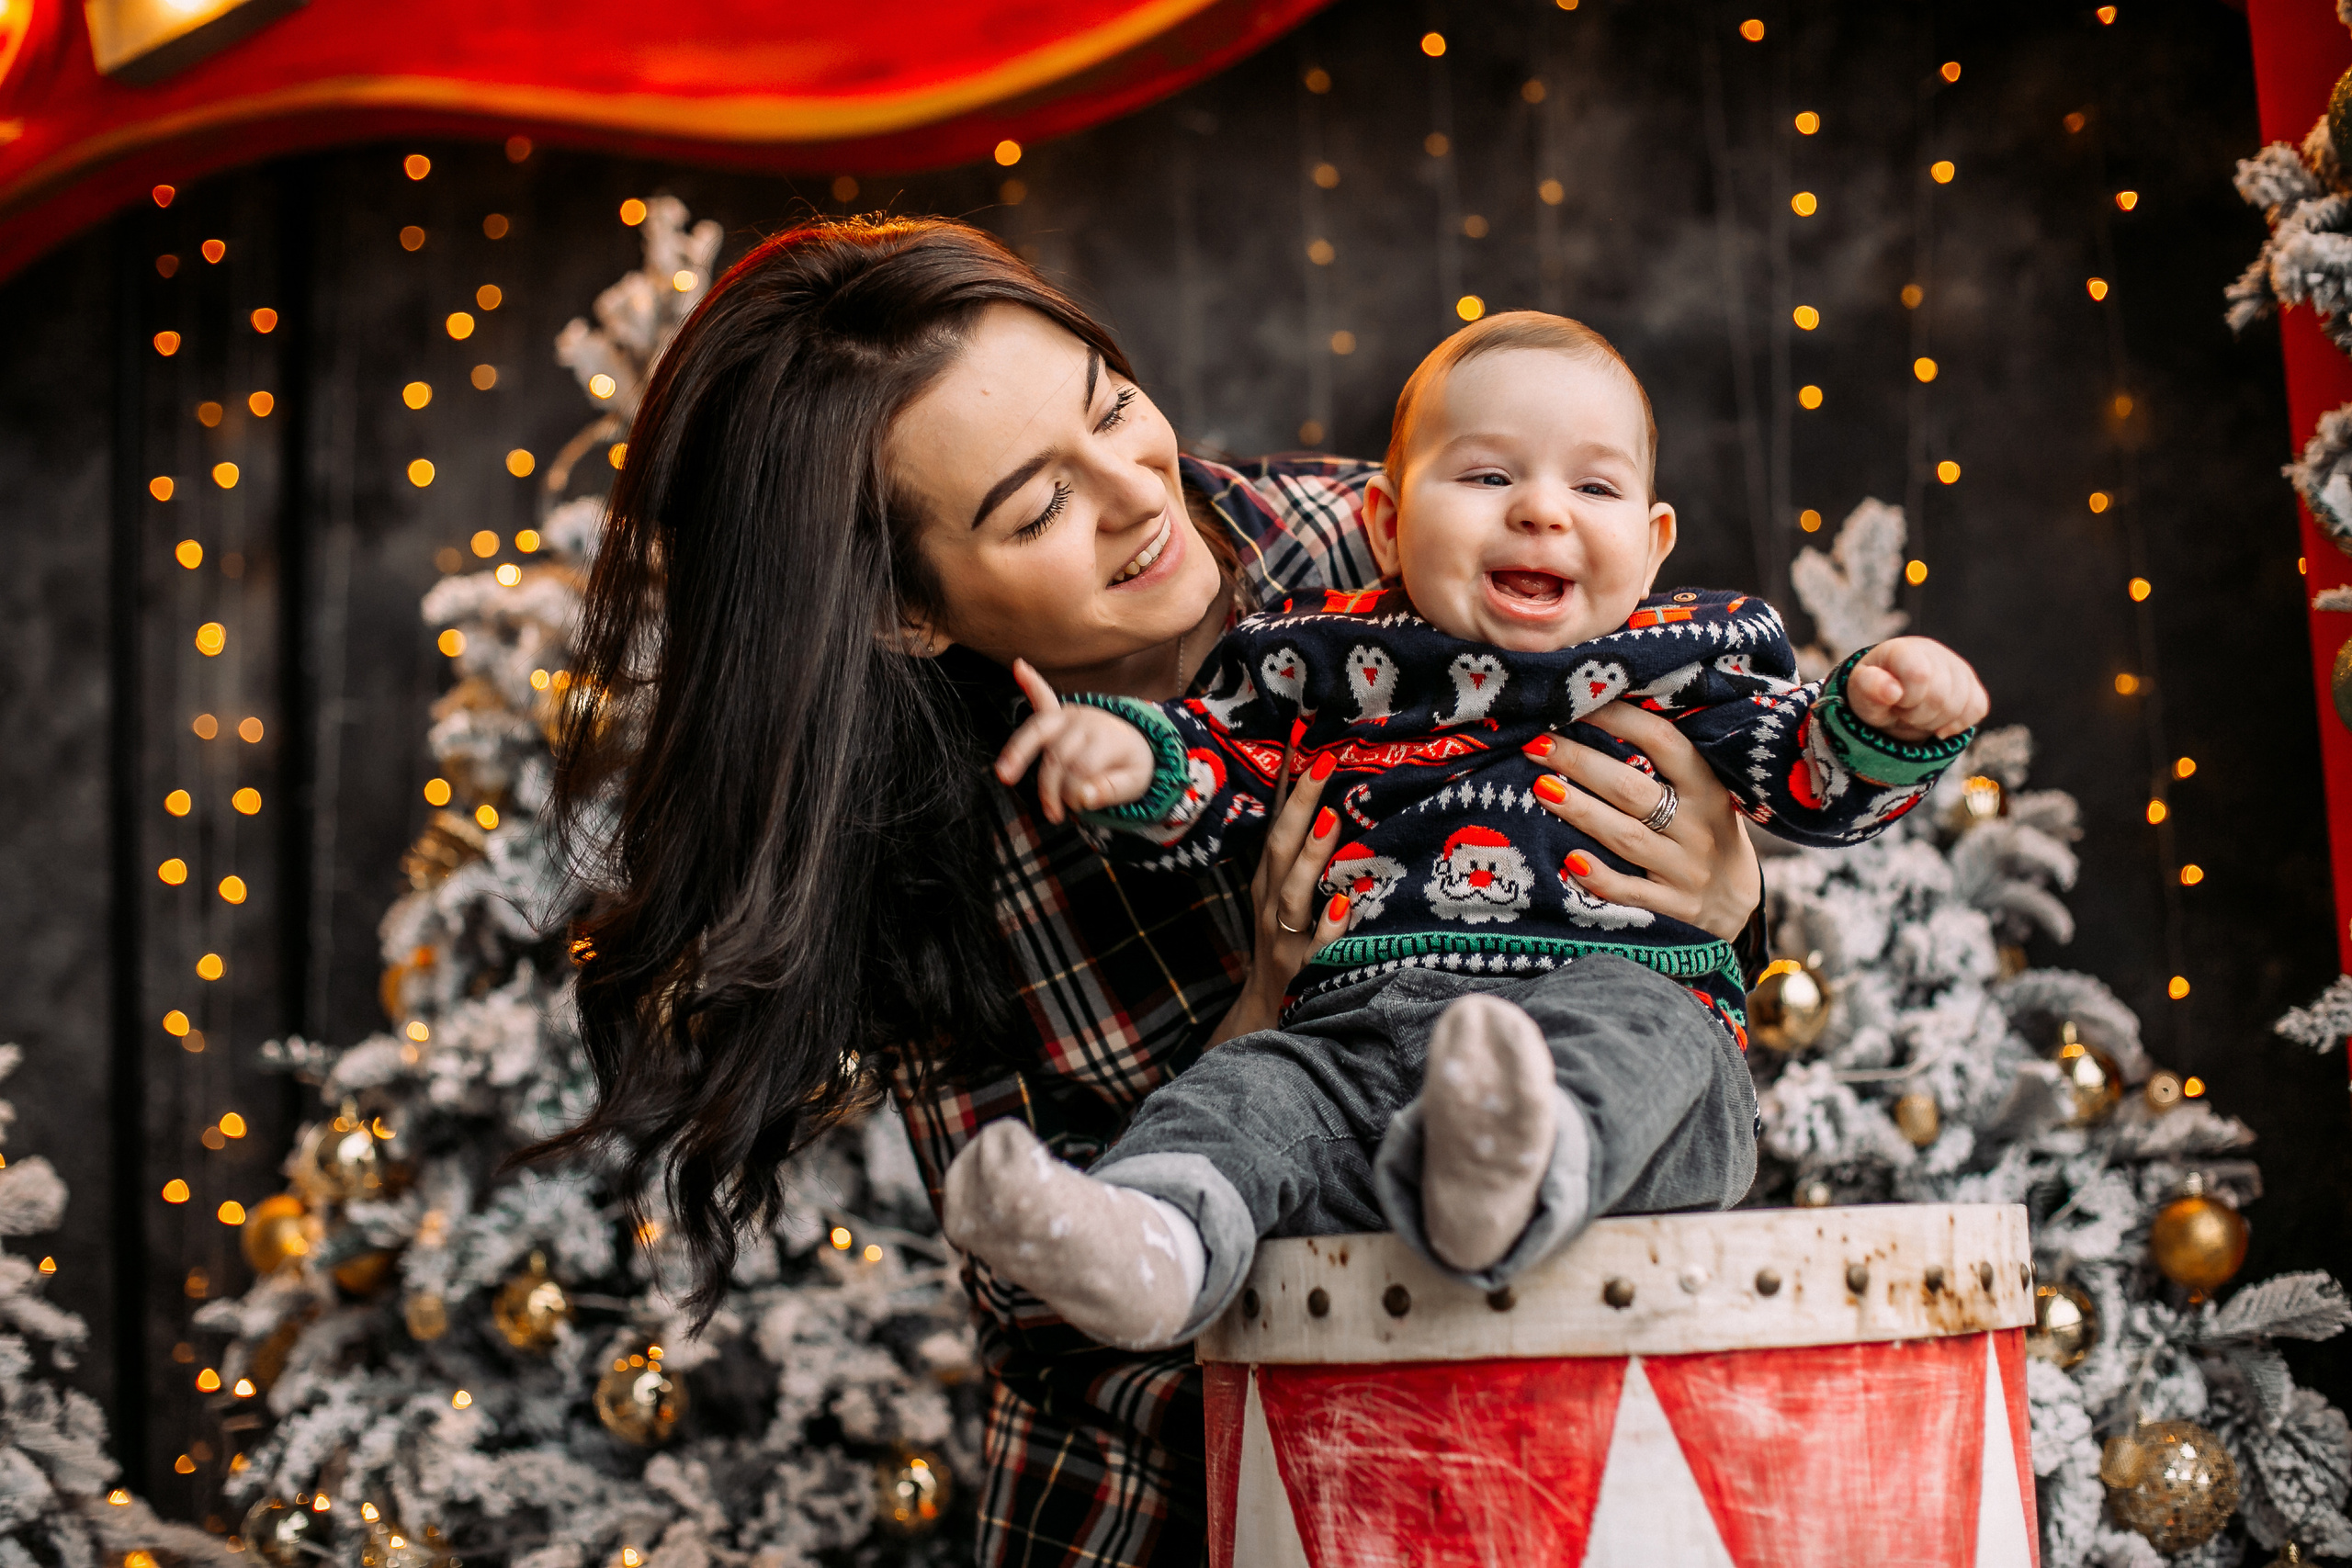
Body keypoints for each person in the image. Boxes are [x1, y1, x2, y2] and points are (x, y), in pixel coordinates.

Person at [546, 219, 1772, 1567]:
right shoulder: (921, 851)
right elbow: (1054, 1307)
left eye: (1114, 408)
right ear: (910, 610)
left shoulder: (1383, 548)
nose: (1141, 494)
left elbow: (1714, 785)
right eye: (1036, 507)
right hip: (1177, 1491)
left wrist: (1726, 885)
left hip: (1551, 1431)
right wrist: (1261, 1010)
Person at [944, 310, 1990, 1349]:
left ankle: (1513, 1168)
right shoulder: (1319, 660)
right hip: (1348, 1043)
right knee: (1241, 1093)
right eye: (1488, 479)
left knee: (1651, 1031)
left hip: (1613, 1019)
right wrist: (1133, 760)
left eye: (1593, 487)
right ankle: (1156, 1238)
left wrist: (1882, 718)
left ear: (1653, 540)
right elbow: (1221, 771)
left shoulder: (1686, 657)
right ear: (1388, 523)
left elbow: (1805, 774)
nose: (1541, 512)